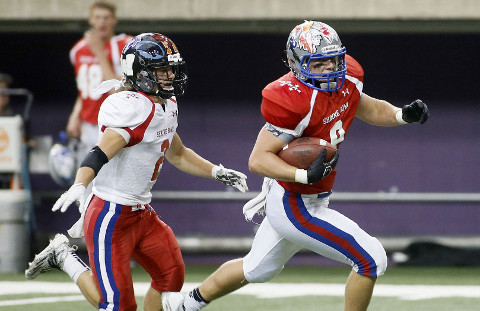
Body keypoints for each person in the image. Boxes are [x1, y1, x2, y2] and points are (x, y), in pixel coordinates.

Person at [162, 20, 429, 311]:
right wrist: (302, 173)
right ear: (296, 63)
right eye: (319, 64)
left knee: (257, 269)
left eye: (333, 61)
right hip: (294, 203)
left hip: (308, 196)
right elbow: (258, 159)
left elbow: (366, 106)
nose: (329, 69)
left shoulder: (348, 77)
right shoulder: (291, 99)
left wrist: (403, 115)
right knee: (370, 258)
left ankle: (183, 304)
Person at [25, 33, 248, 311]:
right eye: (162, 69)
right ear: (140, 73)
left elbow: (177, 153)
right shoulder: (133, 108)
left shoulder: (166, 104)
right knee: (118, 306)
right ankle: (64, 257)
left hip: (140, 213)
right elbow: (98, 153)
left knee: (171, 275)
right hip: (110, 215)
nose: (170, 75)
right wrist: (80, 184)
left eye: (171, 68)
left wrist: (217, 171)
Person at [67, 0, 132, 155]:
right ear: (90, 20)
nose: (101, 22)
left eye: (106, 17)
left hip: (115, 123)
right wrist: (75, 115)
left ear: (114, 20)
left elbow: (119, 92)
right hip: (88, 124)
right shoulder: (78, 49)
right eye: (97, 17)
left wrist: (100, 54)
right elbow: (86, 88)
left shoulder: (125, 45)